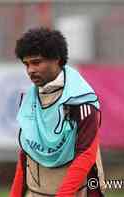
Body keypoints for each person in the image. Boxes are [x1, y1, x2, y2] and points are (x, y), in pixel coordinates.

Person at [10, 27, 105, 197]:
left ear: (57, 60)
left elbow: (86, 154)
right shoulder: (28, 100)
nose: (30, 70)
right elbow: (26, 154)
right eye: (26, 64)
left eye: (36, 62)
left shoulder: (81, 100)